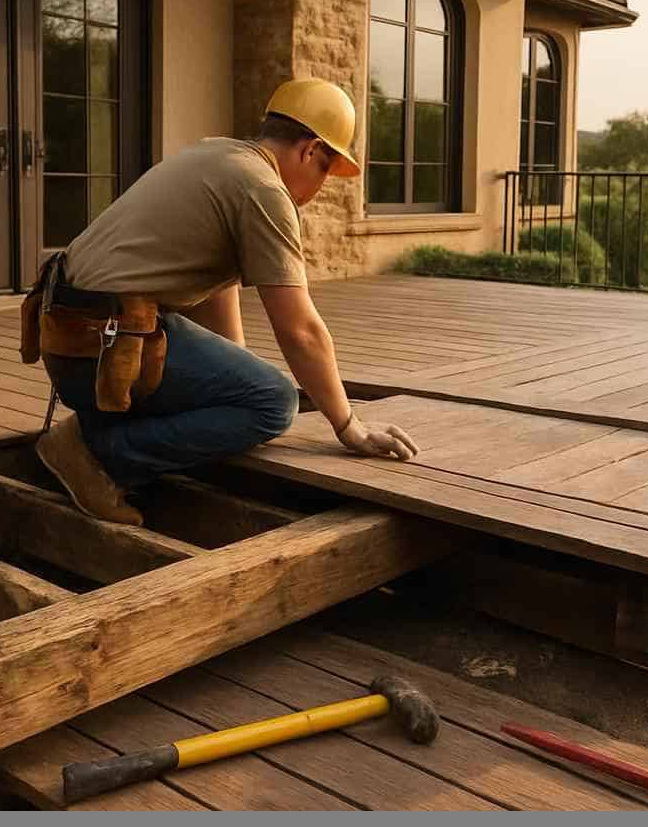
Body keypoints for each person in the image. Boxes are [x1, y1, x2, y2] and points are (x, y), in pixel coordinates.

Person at [26, 77, 420, 525]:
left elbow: (218, 283)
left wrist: (235, 371)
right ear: (309, 150)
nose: (321, 188)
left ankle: (89, 431)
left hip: (73, 341)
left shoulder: (219, 156)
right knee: (274, 402)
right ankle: (99, 454)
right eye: (326, 171)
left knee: (251, 385)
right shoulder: (264, 190)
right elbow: (301, 330)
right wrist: (350, 426)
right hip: (103, 351)